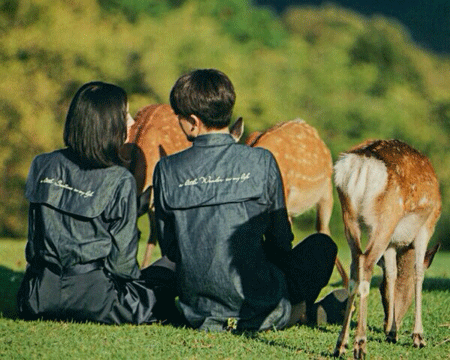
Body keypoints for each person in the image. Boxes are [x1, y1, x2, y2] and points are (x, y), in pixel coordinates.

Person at [153, 68, 347, 332]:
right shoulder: (262, 161)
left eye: (179, 118)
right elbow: (281, 241)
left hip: (196, 311)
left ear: (193, 122)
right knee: (322, 245)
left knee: (159, 270)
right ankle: (299, 312)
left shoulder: (166, 170)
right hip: (260, 300)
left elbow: (171, 248)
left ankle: (291, 312)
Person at [17, 81, 176, 325]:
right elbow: (123, 266)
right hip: (97, 300)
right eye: (125, 115)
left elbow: (34, 243)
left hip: (36, 297)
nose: (132, 123)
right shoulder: (119, 179)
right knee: (172, 265)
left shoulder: (42, 164)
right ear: (107, 124)